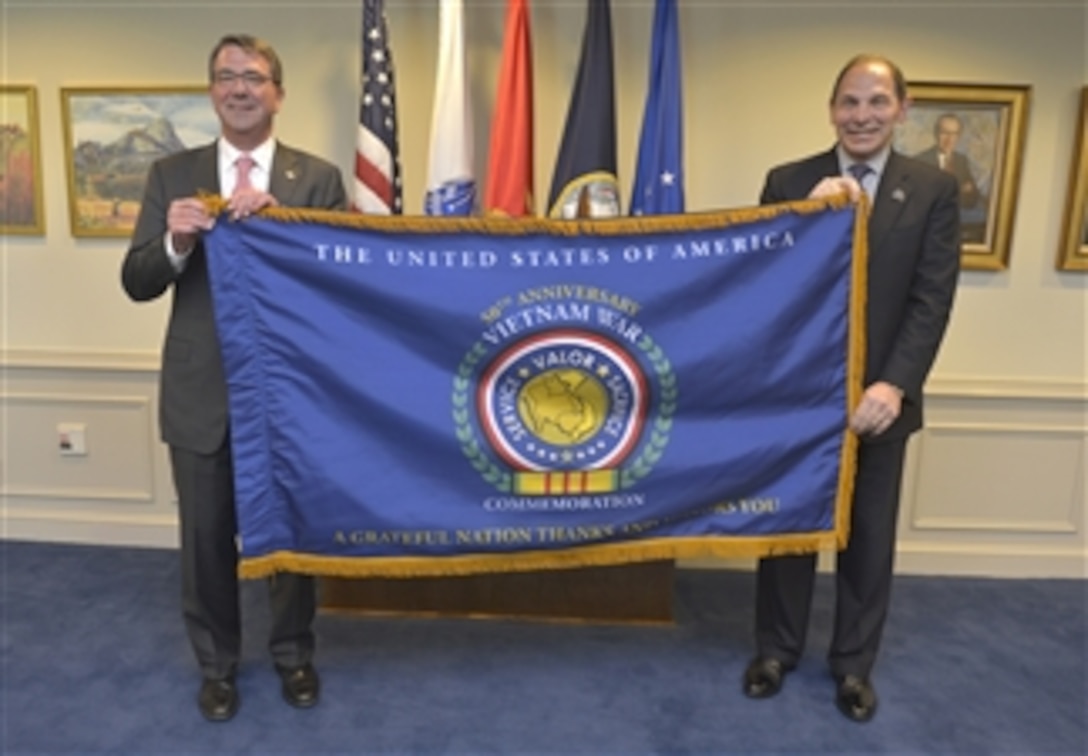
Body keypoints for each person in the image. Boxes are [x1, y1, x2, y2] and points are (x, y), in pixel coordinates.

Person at [121, 34, 347, 722]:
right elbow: (136, 281)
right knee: (205, 540)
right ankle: (217, 666)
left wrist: (292, 236)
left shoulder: (317, 178)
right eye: (225, 76)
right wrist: (176, 242)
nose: (239, 88)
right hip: (202, 393)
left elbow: (343, 281)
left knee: (288, 538)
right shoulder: (171, 174)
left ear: (277, 92)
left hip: (290, 393)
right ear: (212, 91)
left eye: (253, 76)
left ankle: (293, 654)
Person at [742, 54, 960, 723]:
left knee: (867, 536)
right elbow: (760, 284)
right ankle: (776, 650)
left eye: (875, 102)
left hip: (880, 401)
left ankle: (853, 666)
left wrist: (894, 384)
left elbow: (931, 298)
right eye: (848, 102)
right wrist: (799, 222)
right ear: (831, 108)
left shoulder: (931, 189)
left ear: (903, 107)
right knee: (789, 530)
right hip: (799, 399)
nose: (860, 116)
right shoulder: (790, 180)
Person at [914, 112, 981, 209]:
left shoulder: (962, 161)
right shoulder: (920, 161)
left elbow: (972, 198)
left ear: (959, 136)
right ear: (936, 133)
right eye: (945, 133)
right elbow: (919, 199)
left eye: (954, 134)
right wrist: (959, 191)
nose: (949, 139)